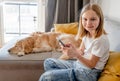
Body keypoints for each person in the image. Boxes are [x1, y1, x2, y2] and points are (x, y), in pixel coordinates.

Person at [39, 3, 109, 81]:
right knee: (48, 62)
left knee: (45, 77)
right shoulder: (88, 34)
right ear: (81, 19)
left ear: (100, 19)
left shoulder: (100, 40)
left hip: (88, 73)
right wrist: (72, 49)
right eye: (85, 19)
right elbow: (81, 51)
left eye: (93, 19)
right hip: (79, 65)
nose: (88, 23)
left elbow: (91, 65)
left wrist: (76, 55)